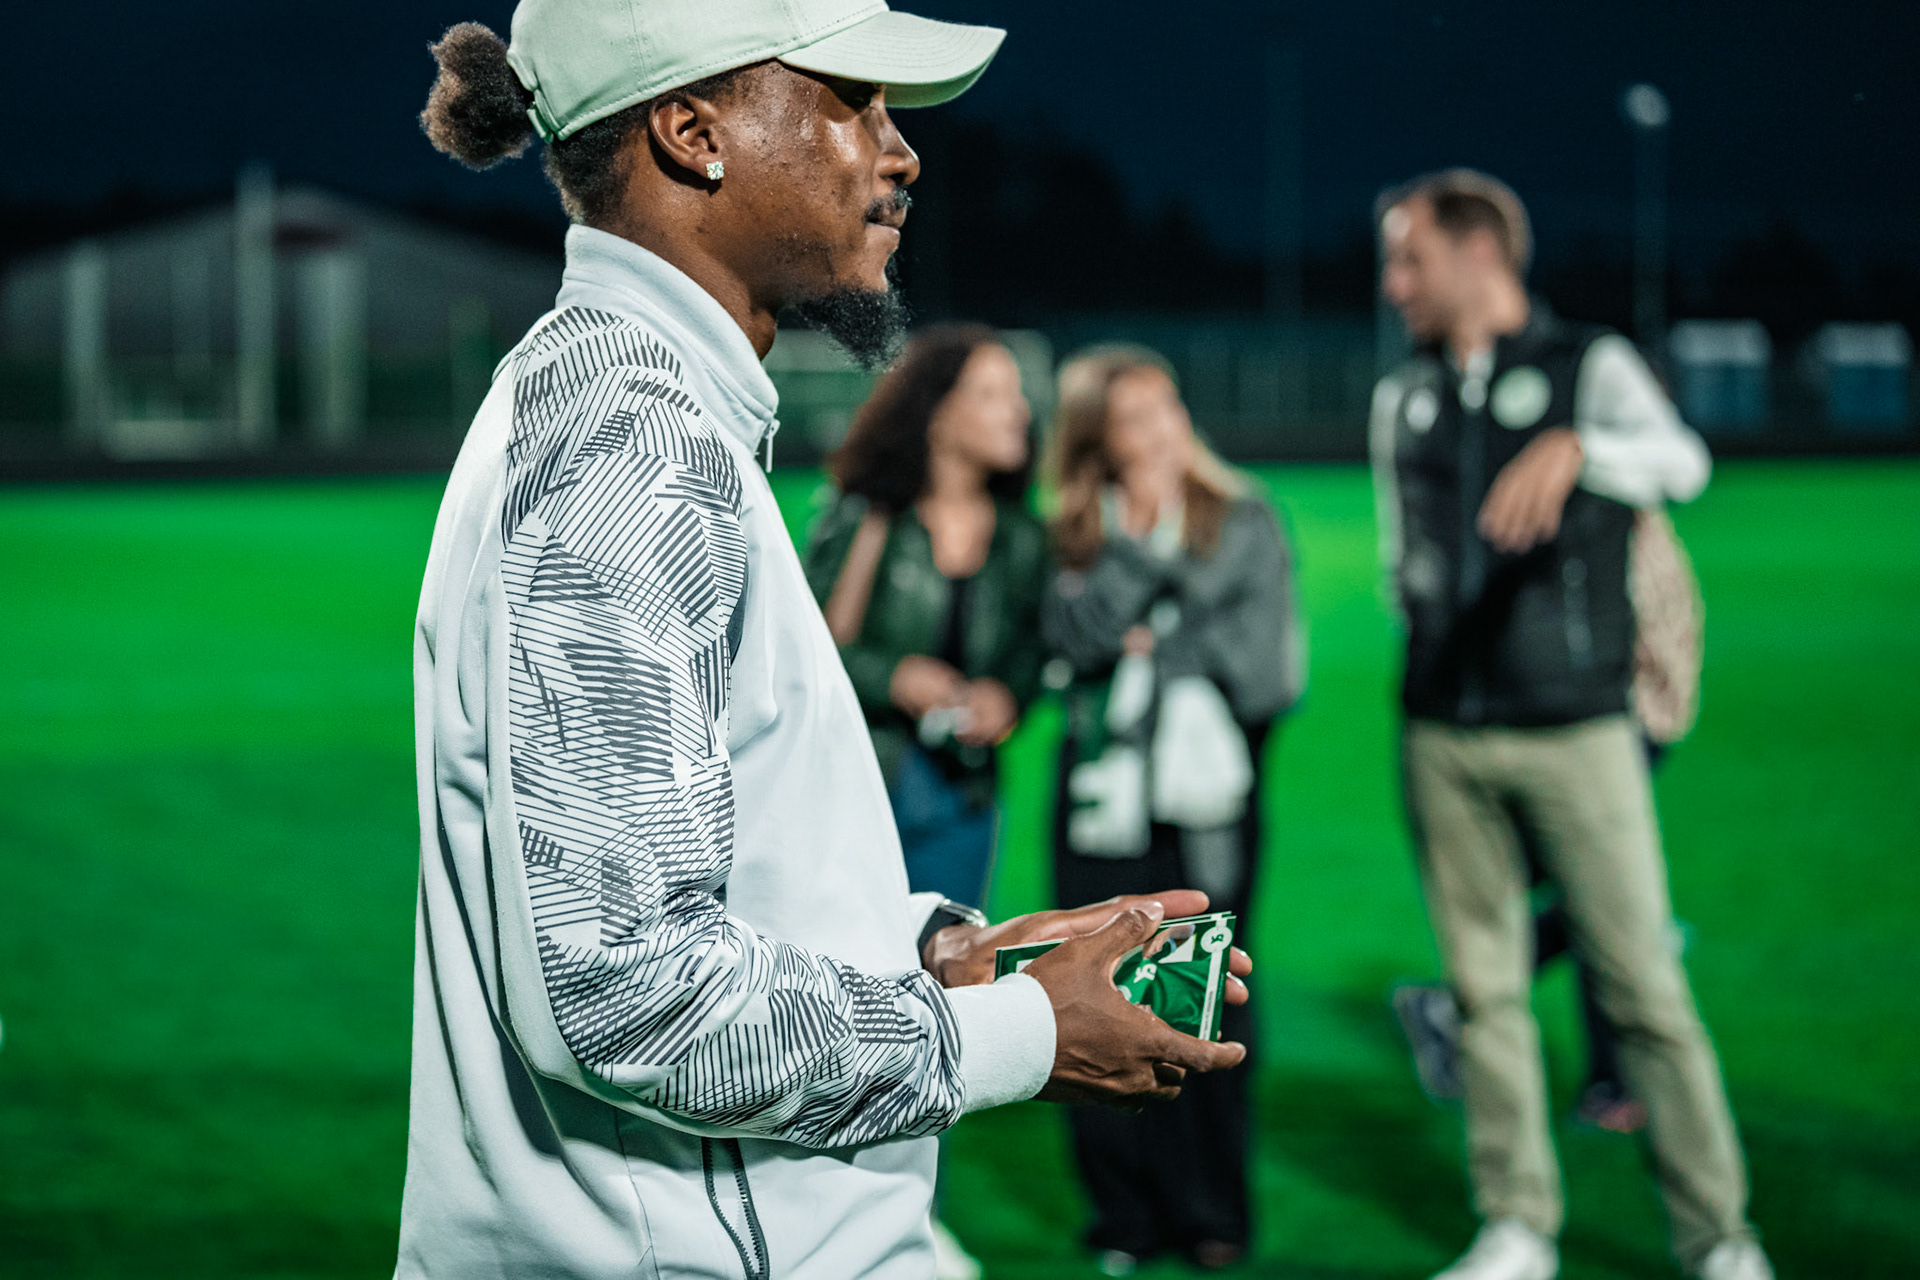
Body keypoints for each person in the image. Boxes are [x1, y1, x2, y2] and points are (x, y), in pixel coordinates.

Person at [398, 8, 1250, 1279]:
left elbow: (716, 881)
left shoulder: (632, 403)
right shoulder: (635, 446)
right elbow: (628, 991)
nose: (899, 152)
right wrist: (1015, 1035)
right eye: (851, 100)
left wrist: (943, 958)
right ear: (692, 134)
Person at [1370, 169, 1770, 1280]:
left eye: (1410, 257)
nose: (1395, 283)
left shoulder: (1585, 365)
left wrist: (1586, 450)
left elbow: (1684, 461)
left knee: (1644, 988)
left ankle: (1720, 1238)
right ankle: (1516, 1226)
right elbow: (1399, 557)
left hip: (1577, 730)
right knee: (1487, 995)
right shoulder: (1400, 392)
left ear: (1479, 255)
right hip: (1440, 733)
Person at [1043, 345, 1304, 1275]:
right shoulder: (1076, 529)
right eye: (1134, 420)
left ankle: (1210, 1209)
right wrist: (1140, 549)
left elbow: (1269, 674)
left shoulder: (1246, 520)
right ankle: (1124, 1212)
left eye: (1168, 408)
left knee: (1212, 999)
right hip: (1098, 795)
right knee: (1092, 990)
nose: (1162, 432)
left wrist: (1163, 634)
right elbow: (1073, 640)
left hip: (1209, 801)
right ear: (1099, 444)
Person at [1394, 506, 1708, 1135]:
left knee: (1589, 897)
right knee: (1602, 902)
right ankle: (1598, 1079)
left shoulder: (1624, 497)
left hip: (1626, 722)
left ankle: (1588, 1071)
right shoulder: (1580, 512)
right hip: (1593, 725)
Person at [805, 324, 1047, 910]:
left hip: (963, 795)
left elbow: (1032, 651)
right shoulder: (866, 515)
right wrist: (894, 679)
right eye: (992, 395)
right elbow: (807, 648)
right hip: (862, 784)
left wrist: (1006, 697)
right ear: (937, 413)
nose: (1019, 412)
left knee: (946, 972)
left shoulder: (1023, 536)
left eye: (1016, 394)